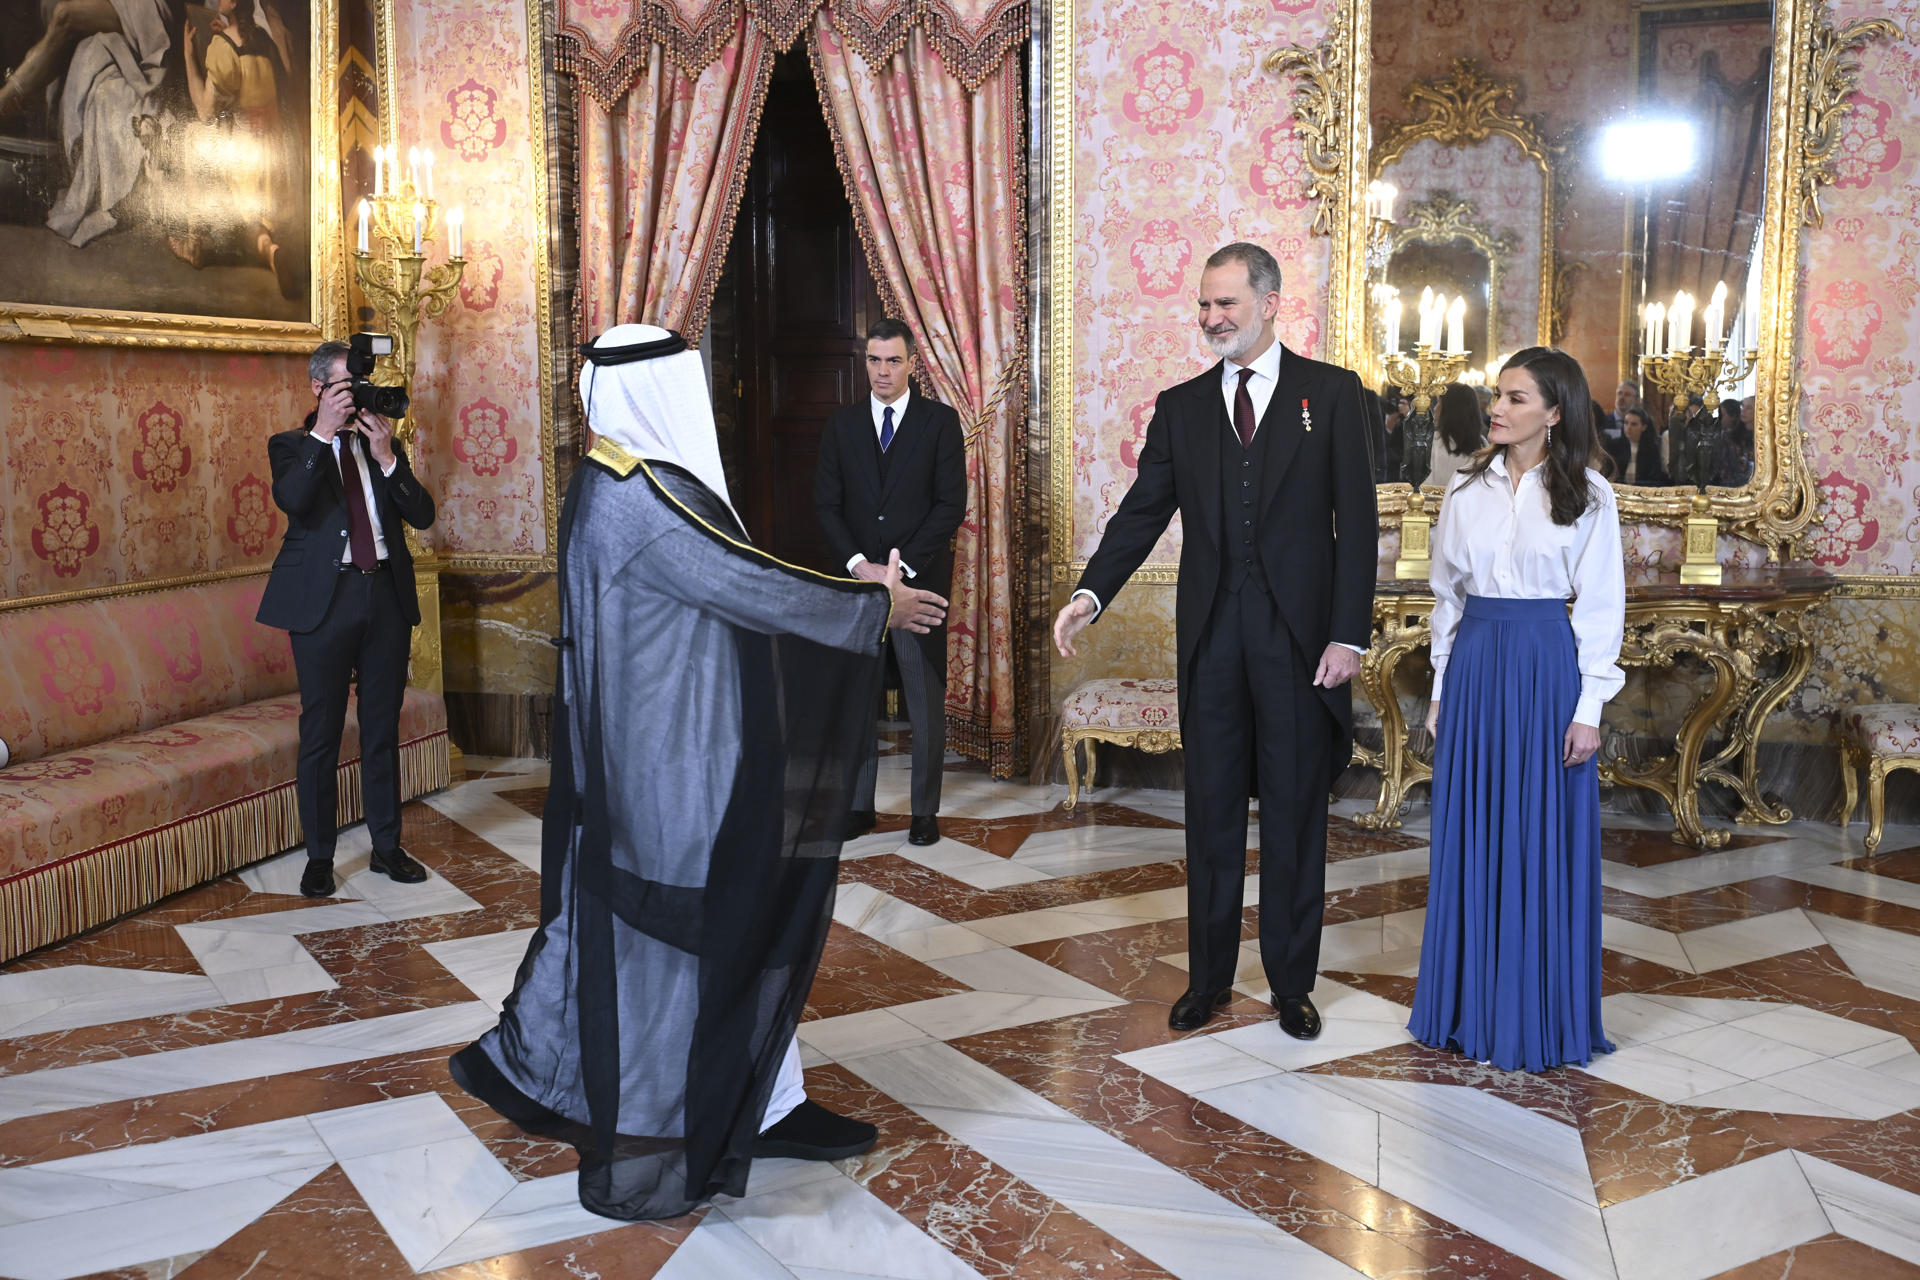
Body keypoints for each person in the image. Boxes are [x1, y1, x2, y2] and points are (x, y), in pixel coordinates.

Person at [449, 324, 947, 1222]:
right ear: (659, 394)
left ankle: (768, 1099)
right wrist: (877, 605)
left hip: (673, 750)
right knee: (711, 932)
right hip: (679, 769)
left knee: (708, 934)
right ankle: (712, 1109)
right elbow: (748, 584)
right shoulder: (641, 498)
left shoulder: (606, 483)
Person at [1053, 242, 1378, 1039]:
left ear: (1270, 302)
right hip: (1211, 641)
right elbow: (1141, 512)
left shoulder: (1331, 396)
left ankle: (1292, 986)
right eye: (1204, 305)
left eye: (1226, 303)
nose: (1211, 318)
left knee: (1297, 814)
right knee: (1211, 814)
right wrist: (1091, 593)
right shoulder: (1183, 406)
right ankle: (1209, 982)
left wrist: (1349, 637)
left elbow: (1360, 527)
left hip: (1301, 645)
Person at [1411, 346, 1625, 1073]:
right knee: (1471, 832)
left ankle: (1537, 1013)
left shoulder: (1591, 494)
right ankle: (1465, 1008)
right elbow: (1447, 601)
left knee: (1539, 834)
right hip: (1474, 665)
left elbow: (1600, 606)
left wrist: (1589, 706)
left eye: (1516, 398)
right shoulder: (1464, 491)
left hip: (1544, 669)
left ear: (1555, 412)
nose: (1496, 409)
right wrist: (1440, 693)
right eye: (1496, 397)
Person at [257, 340, 438, 899]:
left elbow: (422, 513)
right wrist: (323, 435)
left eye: (359, 387)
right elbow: (294, 500)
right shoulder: (291, 446)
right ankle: (319, 855)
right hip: (323, 603)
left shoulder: (381, 443)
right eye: (344, 387)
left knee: (381, 727)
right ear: (318, 389)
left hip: (384, 595)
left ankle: (387, 847)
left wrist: (388, 460)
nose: (356, 397)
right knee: (322, 731)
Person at [814, 318, 968, 846]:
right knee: (858, 697)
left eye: (892, 361)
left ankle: (925, 812)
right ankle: (860, 807)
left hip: (919, 584)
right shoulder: (842, 425)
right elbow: (826, 507)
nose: (882, 371)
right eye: (874, 360)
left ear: (911, 364)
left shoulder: (941, 423)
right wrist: (862, 566)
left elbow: (951, 506)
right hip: (857, 588)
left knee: (924, 699)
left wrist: (901, 570)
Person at [1426, 382, 1483, 491]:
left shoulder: (1432, 442)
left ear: (1449, 410)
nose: (1435, 409)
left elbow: (1425, 488)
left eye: (1439, 403)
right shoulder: (1482, 443)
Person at [1605, 406, 1669, 485]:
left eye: (1633, 424)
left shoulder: (1652, 449)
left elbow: (1654, 479)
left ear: (1643, 427)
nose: (1628, 427)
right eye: (1626, 423)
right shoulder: (1614, 446)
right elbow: (1610, 475)